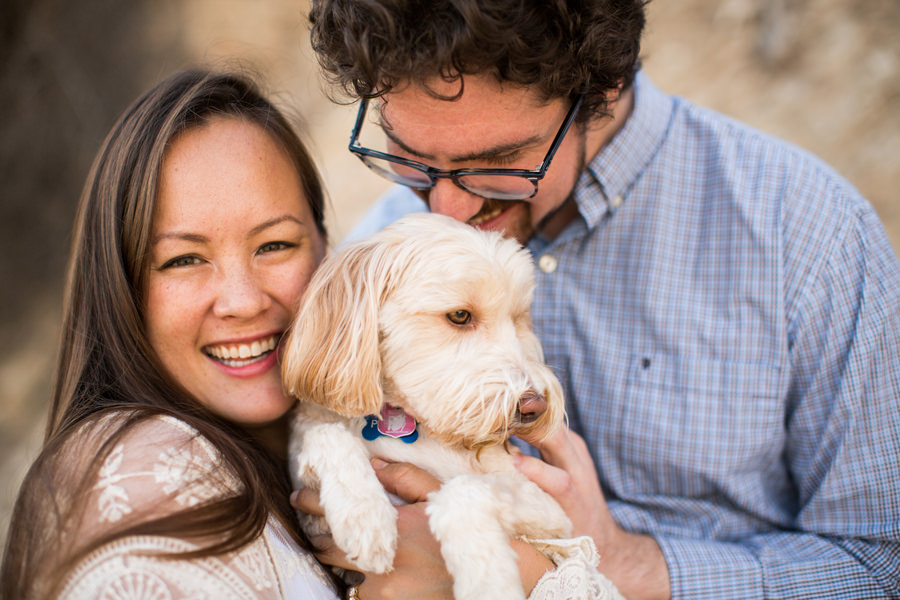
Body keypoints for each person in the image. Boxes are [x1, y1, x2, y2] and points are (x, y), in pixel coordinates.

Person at [297, 1, 900, 598]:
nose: (448, 209)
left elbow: (882, 564)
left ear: (603, 90)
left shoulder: (809, 237)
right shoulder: (385, 254)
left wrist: (622, 566)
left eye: (500, 162)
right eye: (409, 157)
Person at [0, 69, 341, 599]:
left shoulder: (381, 422)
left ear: (324, 245)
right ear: (122, 288)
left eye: (274, 245)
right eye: (184, 259)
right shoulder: (144, 480)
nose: (243, 301)